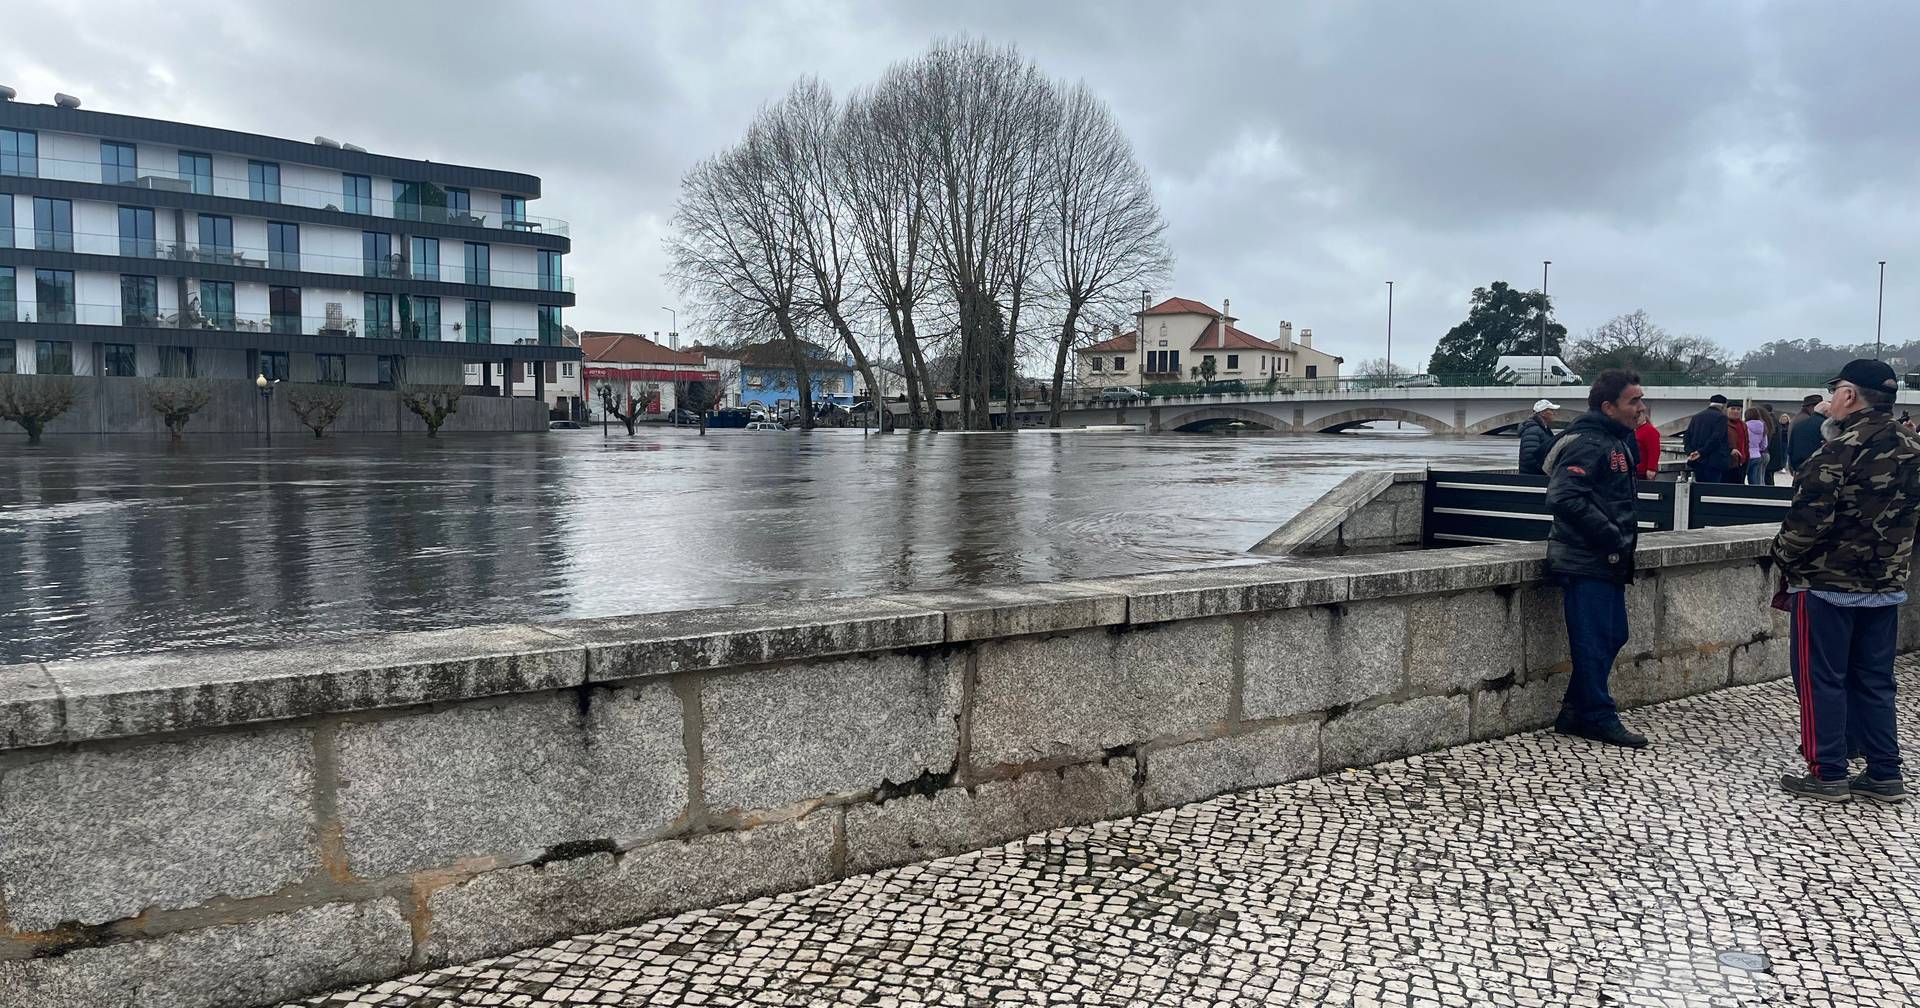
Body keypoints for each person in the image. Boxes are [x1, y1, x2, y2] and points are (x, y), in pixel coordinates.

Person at [1772, 359, 1920, 803]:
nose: (1831, 399)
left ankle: (1829, 771)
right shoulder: (1914, 447)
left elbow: (1806, 524)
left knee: (1822, 678)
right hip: (1885, 585)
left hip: (1827, 586)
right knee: (1876, 679)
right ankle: (1883, 772)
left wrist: (1780, 556)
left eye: (1835, 391)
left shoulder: (1837, 451)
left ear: (1850, 395)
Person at [1543, 369, 1650, 748]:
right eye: (1633, 401)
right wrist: (1611, 535)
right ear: (1608, 407)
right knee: (1594, 639)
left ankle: (1575, 711)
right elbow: (1563, 497)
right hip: (1585, 559)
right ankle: (1599, 715)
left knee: (1611, 635)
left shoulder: (1615, 440)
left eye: (1640, 399)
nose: (1641, 407)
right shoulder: (1590, 442)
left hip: (1606, 558)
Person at [1682, 395, 1735, 483]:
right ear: (1723, 406)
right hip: (1714, 461)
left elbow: (1687, 436)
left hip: (1697, 462)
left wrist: (1690, 452)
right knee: (1712, 491)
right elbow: (1716, 439)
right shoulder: (1721, 417)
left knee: (1700, 489)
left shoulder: (1696, 417)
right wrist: (1701, 452)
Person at [1517, 398, 1558, 476]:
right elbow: (1530, 457)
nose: (1555, 413)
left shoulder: (1544, 430)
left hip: (1537, 475)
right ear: (1543, 413)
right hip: (1533, 477)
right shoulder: (1533, 430)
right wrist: (1547, 469)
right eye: (1551, 410)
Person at [1787, 393, 1826, 473]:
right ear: (1811, 407)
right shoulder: (1806, 420)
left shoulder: (1798, 418)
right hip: (1806, 463)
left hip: (1798, 462)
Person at [1743, 406, 1771, 485]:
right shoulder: (1763, 426)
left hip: (1746, 455)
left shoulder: (1744, 425)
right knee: (1754, 480)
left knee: (1741, 478)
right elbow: (1764, 445)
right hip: (1757, 455)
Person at [1724, 399, 1749, 483]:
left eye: (1738, 409)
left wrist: (1746, 458)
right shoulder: (1722, 424)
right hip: (1727, 463)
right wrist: (1729, 450)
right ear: (1727, 410)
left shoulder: (1743, 425)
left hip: (1741, 462)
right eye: (1733, 408)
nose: (1736, 411)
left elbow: (1746, 443)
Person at [1633, 407, 1661, 479]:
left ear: (1644, 415)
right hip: (1636, 470)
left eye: (1638, 415)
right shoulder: (1635, 430)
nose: (1636, 418)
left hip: (1643, 471)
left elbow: (1654, 451)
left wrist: (1651, 469)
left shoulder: (1649, 430)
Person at [1767, 411, 1790, 485]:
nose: (1784, 420)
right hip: (1780, 443)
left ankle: (1783, 466)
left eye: (1785, 418)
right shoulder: (1778, 424)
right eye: (1783, 418)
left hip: (1785, 442)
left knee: (1784, 455)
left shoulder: (1788, 426)